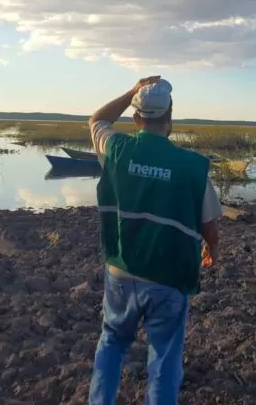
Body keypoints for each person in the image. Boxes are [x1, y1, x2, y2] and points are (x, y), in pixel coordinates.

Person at [87, 76, 222, 405]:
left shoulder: (116, 149)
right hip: (169, 277)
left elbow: (97, 120)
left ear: (136, 119)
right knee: (164, 357)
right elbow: (210, 224)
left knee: (112, 341)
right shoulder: (192, 167)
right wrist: (213, 248)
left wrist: (132, 92)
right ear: (170, 117)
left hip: (121, 270)